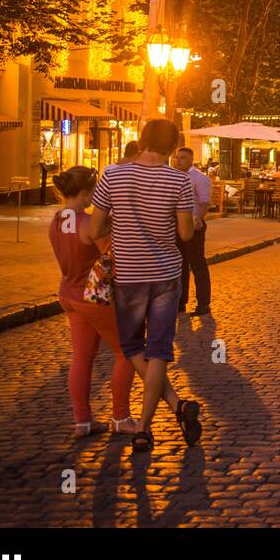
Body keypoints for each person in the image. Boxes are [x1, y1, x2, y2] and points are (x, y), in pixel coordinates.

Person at [89, 118, 202, 453]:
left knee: (133, 348)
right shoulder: (178, 181)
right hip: (166, 275)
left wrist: (122, 228)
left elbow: (95, 229)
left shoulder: (112, 175)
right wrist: (193, 222)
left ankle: (159, 418)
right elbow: (184, 235)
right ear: (172, 145)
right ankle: (151, 423)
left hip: (129, 276)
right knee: (159, 352)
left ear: (141, 140)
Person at [48, 165, 137, 438]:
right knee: (127, 352)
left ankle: (82, 421)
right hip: (93, 297)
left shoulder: (57, 219)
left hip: (68, 293)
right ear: (86, 192)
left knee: (82, 358)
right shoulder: (89, 224)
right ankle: (120, 416)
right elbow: (113, 261)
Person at [173, 147, 212, 316]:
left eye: (182, 158)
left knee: (197, 264)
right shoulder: (173, 177)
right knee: (179, 265)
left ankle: (203, 303)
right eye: (177, 157)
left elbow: (204, 203)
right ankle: (181, 302)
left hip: (193, 226)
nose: (178, 160)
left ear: (191, 159)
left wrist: (198, 219)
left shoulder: (199, 179)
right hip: (176, 226)